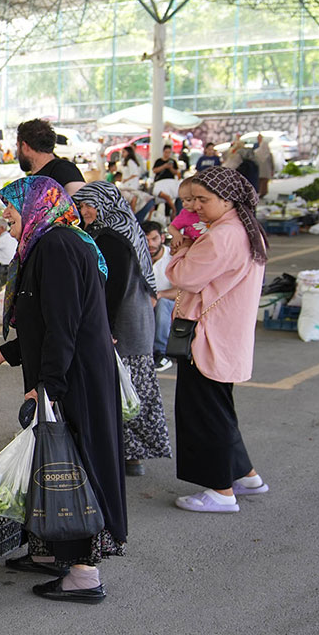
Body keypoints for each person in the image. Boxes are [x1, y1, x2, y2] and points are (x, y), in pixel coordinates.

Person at [0, 176, 125, 605]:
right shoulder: (52, 242)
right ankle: (51, 552)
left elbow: (64, 326)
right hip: (69, 373)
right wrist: (7, 353)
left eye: (12, 207)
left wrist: (48, 388)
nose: (5, 215)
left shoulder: (57, 247)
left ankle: (83, 574)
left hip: (74, 379)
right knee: (55, 463)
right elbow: (48, 320)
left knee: (73, 468)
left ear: (38, 206)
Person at [166, 166, 269, 514]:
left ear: (227, 200)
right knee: (219, 409)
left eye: (201, 199)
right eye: (190, 199)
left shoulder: (222, 235)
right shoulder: (243, 227)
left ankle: (221, 491)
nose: (194, 206)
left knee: (204, 413)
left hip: (207, 339)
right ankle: (246, 475)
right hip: (226, 337)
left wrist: (179, 250)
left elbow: (185, 276)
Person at [74, 181, 172, 477]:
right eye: (81, 205)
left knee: (121, 389)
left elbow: (112, 287)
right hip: (137, 319)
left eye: (88, 204)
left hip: (123, 323)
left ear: (103, 203)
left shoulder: (109, 235)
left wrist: (104, 325)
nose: (83, 211)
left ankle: (123, 453)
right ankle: (132, 456)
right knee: (132, 389)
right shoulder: (125, 227)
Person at [141, 220, 177, 371]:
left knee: (162, 305)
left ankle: (161, 353)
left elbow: (181, 290)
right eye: (146, 239)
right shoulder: (139, 257)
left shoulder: (173, 258)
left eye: (154, 239)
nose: (150, 244)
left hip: (170, 303)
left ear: (162, 238)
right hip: (146, 302)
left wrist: (159, 295)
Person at [16, 119, 85, 196]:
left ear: (25, 147)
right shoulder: (34, 178)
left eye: (18, 146)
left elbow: (82, 203)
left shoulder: (64, 169)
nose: (17, 152)